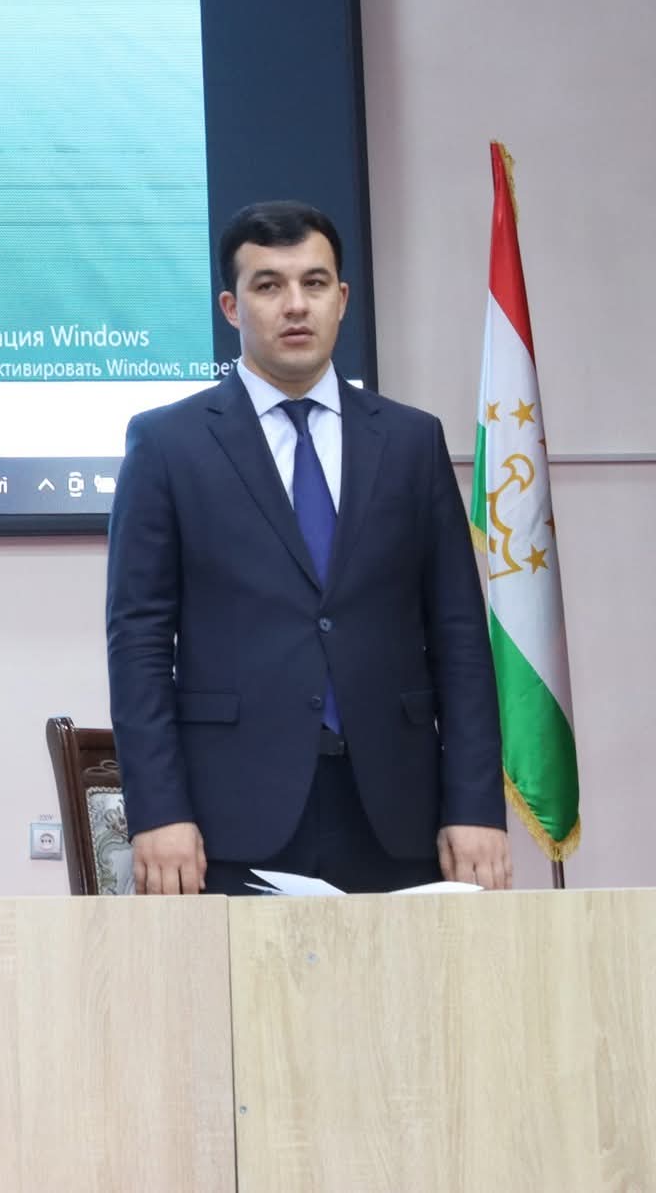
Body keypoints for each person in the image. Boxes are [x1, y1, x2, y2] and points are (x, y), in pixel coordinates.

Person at [106, 200, 511, 895]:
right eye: (269, 285)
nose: (295, 305)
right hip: (230, 812)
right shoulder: (168, 444)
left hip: (397, 809)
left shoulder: (411, 441)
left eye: (314, 283)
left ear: (342, 299)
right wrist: (160, 809)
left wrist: (474, 804)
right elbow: (138, 641)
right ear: (231, 307)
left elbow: (460, 636)